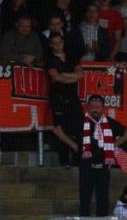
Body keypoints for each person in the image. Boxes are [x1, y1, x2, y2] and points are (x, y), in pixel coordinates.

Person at [73, 94, 127, 220]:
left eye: (98, 107)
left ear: (102, 108)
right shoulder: (80, 121)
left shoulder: (109, 122)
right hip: (86, 167)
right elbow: (59, 130)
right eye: (92, 107)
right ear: (88, 108)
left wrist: (114, 144)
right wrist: (76, 147)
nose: (95, 109)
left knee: (103, 200)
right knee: (85, 200)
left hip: (104, 167)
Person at [46, 30, 84, 168]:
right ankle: (65, 160)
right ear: (51, 45)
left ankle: (79, 157)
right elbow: (56, 77)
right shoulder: (50, 59)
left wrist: (64, 76)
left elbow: (81, 74)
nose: (58, 46)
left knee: (80, 128)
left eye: (60, 42)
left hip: (73, 97)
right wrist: (72, 77)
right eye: (54, 43)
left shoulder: (71, 57)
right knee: (61, 130)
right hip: (58, 98)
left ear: (63, 42)